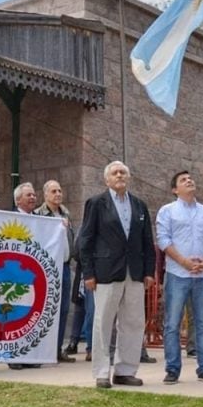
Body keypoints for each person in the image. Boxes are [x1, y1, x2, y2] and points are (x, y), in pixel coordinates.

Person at [78, 160, 155, 389]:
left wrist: (148, 271)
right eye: (115, 172)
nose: (120, 175)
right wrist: (88, 273)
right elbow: (85, 240)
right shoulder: (96, 203)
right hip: (105, 273)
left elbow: (147, 242)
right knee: (103, 322)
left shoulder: (139, 205)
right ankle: (102, 372)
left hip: (135, 273)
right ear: (107, 179)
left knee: (133, 322)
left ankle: (125, 371)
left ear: (128, 177)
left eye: (123, 172)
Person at [157, 171, 203, 384]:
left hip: (202, 274)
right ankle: (173, 368)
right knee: (173, 323)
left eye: (191, 178)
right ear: (175, 189)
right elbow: (164, 240)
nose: (189, 181)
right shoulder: (167, 211)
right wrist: (184, 261)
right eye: (183, 180)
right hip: (177, 274)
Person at [35, 180, 76, 363]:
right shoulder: (38, 214)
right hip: (46, 269)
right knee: (44, 309)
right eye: (53, 191)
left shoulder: (66, 213)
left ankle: (58, 349)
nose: (58, 194)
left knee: (63, 309)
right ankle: (42, 350)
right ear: (45, 195)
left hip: (65, 266)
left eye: (59, 190)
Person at [8, 182, 43, 370]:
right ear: (18, 199)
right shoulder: (11, 218)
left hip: (32, 276)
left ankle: (27, 354)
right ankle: (12, 355)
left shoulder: (39, 219)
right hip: (15, 274)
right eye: (28, 195)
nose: (33, 198)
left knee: (28, 316)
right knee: (13, 316)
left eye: (34, 195)